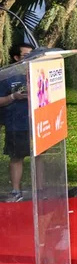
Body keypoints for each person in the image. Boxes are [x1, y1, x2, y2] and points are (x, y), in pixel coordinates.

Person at [0, 43, 32, 202]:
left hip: (38, 123)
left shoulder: (35, 73)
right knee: (17, 157)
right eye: (26, 56)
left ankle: (41, 190)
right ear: (16, 57)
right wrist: (14, 97)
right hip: (16, 124)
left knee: (38, 156)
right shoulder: (6, 76)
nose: (30, 59)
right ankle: (15, 191)